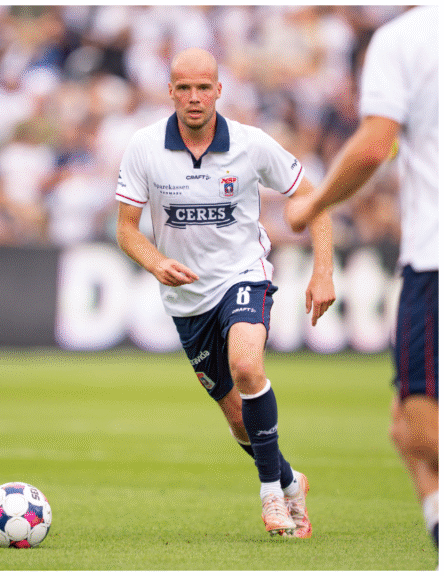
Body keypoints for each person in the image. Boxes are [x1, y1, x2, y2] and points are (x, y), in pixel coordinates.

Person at [115, 48, 336, 538]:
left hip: (242, 275)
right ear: (170, 92)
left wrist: (323, 271)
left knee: (247, 366)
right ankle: (289, 480)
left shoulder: (251, 144)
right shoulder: (144, 146)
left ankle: (270, 495)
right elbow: (127, 229)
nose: (194, 97)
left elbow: (312, 198)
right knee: (238, 418)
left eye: (203, 87)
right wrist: (156, 262)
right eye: (184, 88)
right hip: (187, 299)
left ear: (219, 90)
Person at [285, 5, 438, 549]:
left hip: (435, 259)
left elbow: (374, 146)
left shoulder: (404, 39)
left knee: (419, 424)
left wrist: (314, 204)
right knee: (404, 429)